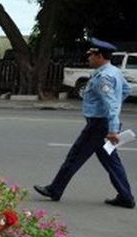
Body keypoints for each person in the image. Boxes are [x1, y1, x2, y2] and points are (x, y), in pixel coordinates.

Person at [34, 38, 134, 208]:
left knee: (74, 156)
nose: (88, 57)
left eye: (91, 55)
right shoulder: (114, 71)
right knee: (111, 161)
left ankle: (55, 189)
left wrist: (112, 129)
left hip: (98, 125)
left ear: (100, 56)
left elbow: (112, 105)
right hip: (102, 124)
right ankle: (126, 196)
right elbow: (125, 90)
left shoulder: (104, 77)